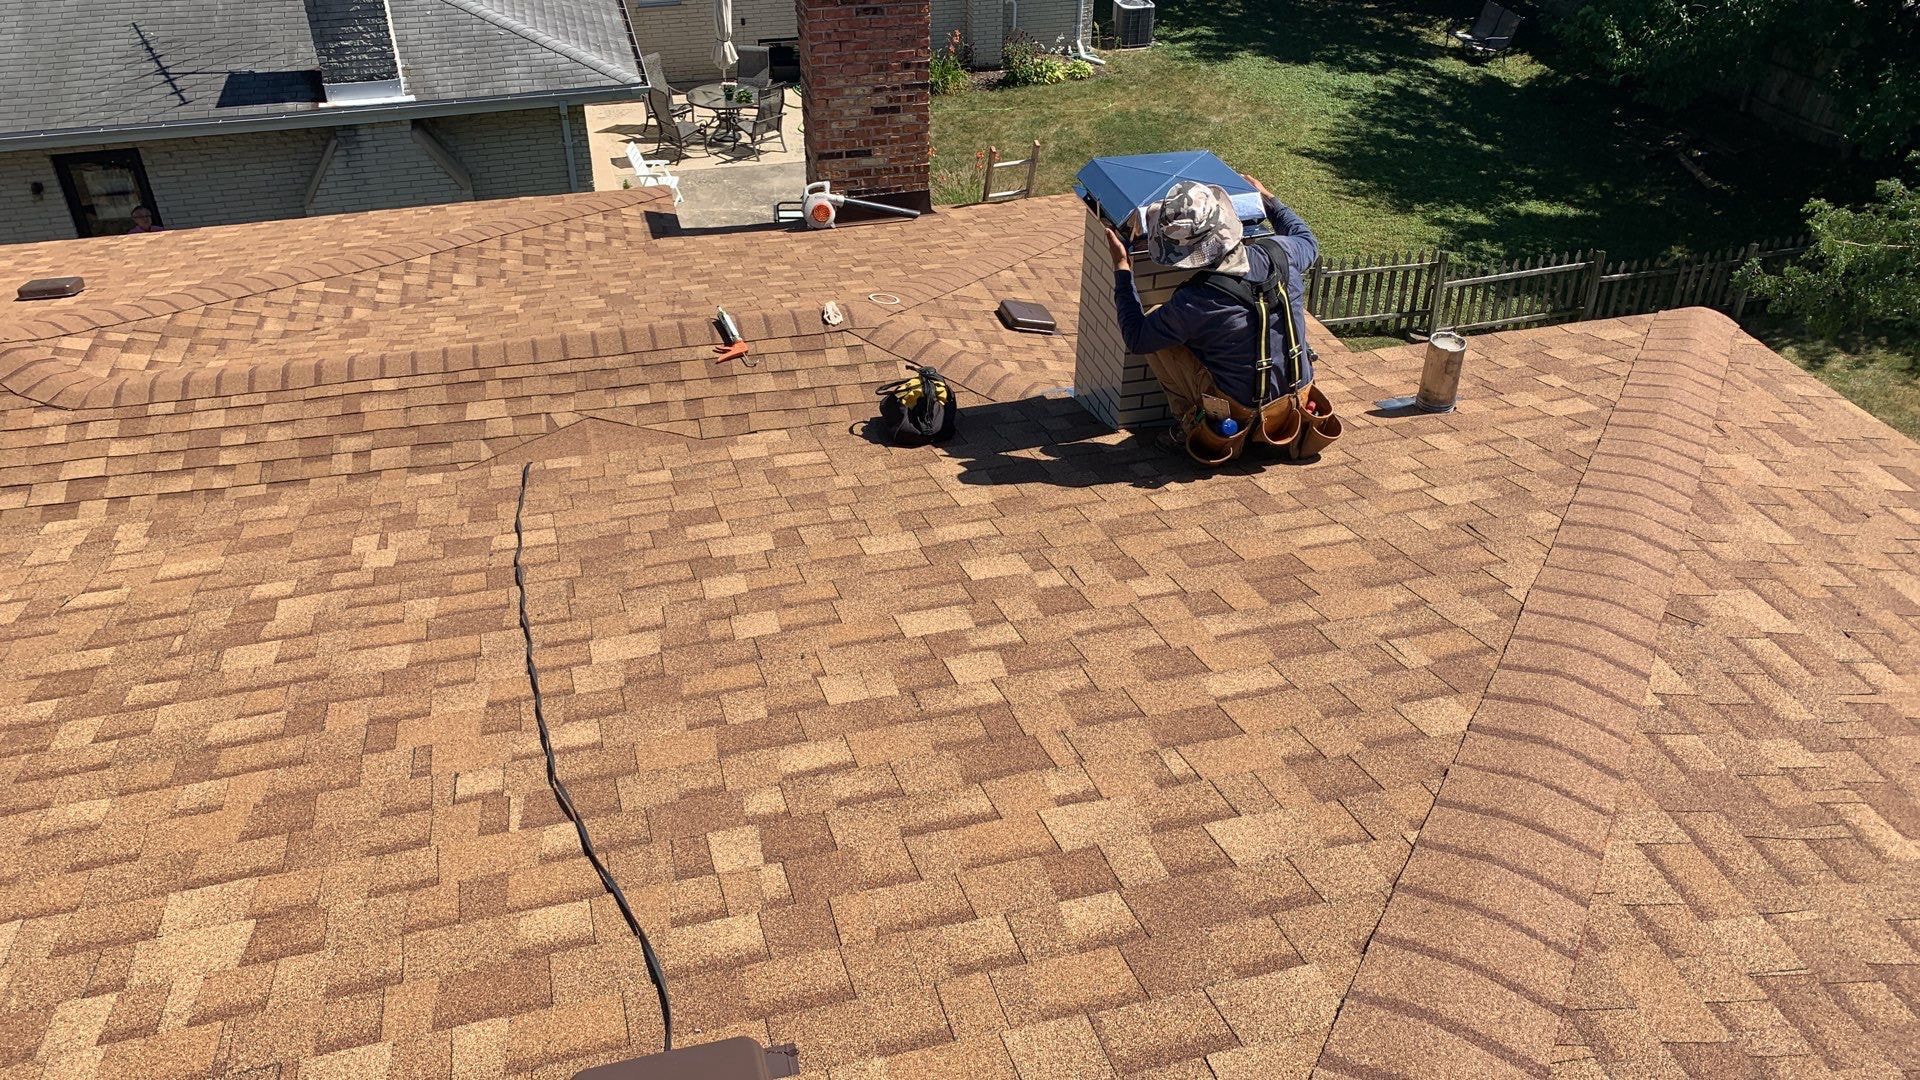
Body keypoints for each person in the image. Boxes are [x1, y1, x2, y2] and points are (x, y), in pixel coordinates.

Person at [1105, 174, 1318, 448]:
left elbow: (1137, 338)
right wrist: (1269, 199)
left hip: (1240, 414)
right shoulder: (1283, 253)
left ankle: (1190, 425)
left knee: (1157, 327)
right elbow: (1307, 240)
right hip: (1299, 394)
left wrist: (1122, 269)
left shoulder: (1195, 301)